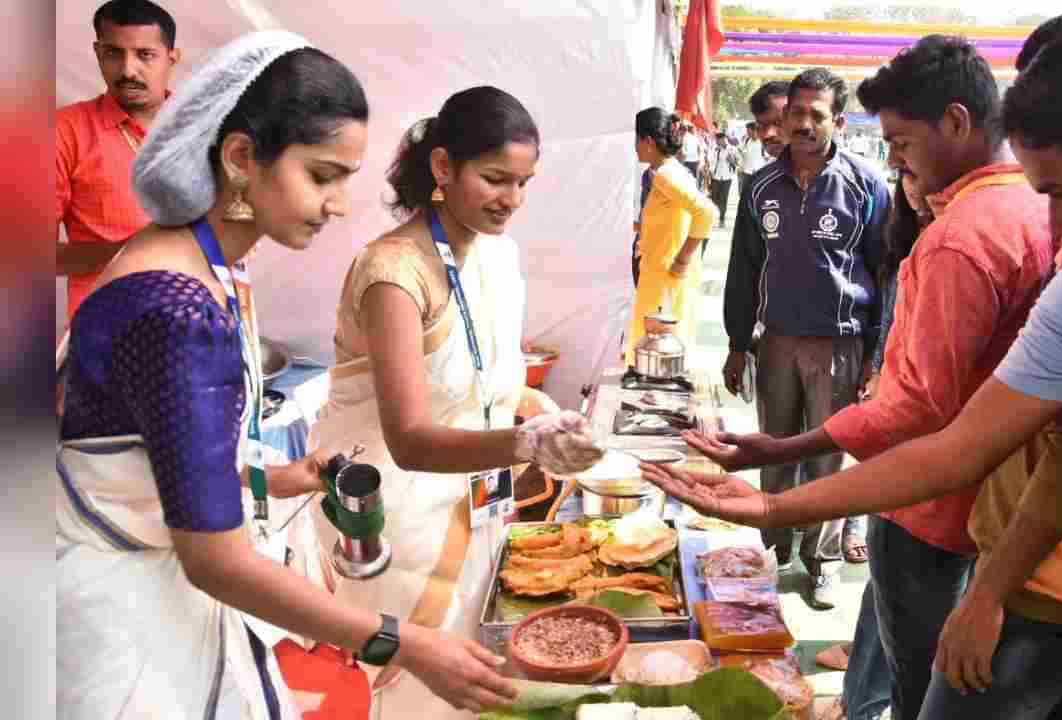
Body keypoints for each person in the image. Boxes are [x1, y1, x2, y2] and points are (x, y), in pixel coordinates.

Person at [646, 9, 1062, 720]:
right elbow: (971, 446)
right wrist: (773, 503)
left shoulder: (981, 239)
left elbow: (925, 413)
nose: (1060, 232)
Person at [56, 31, 520, 719]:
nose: (337, 205)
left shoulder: (200, 262)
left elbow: (138, 443)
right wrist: (405, 644)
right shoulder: (178, 305)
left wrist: (264, 478)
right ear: (242, 157)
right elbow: (216, 562)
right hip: (125, 612)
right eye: (323, 175)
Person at [708, 36, 1059, 714]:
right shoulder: (1042, 209)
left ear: (956, 123)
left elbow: (915, 410)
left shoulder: (960, 236)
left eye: (901, 142)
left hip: (929, 509)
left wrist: (782, 453)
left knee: (922, 687)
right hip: (1004, 507)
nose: (895, 158)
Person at [309, 86, 603, 719]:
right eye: (496, 179)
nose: (512, 201)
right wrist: (527, 443)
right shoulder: (394, 272)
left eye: (524, 183)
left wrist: (540, 414)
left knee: (469, 683)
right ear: (442, 168)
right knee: (407, 696)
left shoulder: (498, 255)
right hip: (393, 524)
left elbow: (484, 387)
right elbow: (411, 437)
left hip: (477, 508)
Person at [722, 68, 891, 611]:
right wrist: (735, 341)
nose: (804, 124)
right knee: (772, 449)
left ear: (837, 121)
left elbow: (885, 274)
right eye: (796, 113)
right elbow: (743, 269)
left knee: (826, 461)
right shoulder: (760, 186)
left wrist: (877, 353)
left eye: (817, 115)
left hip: (840, 346)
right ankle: (773, 550)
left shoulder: (866, 185)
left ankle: (824, 564)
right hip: (775, 343)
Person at [818, 175, 931, 720]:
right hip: (902, 444)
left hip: (931, 470)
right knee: (888, 585)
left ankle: (862, 698)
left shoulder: (962, 242)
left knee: (908, 598)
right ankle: (859, 694)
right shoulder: (912, 234)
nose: (913, 183)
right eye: (903, 168)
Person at [57, 0, 180, 323]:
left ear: (172, 58)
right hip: (108, 338)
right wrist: (134, 251)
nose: (128, 70)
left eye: (145, 55)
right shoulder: (63, 132)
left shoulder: (210, 125)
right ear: (98, 53)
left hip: (203, 329)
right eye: (114, 53)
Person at [626, 108, 716, 367]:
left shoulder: (666, 175)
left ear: (648, 142)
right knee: (657, 350)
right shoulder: (667, 172)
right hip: (658, 272)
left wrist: (683, 259)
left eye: (636, 140)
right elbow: (669, 219)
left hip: (666, 276)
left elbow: (707, 213)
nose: (635, 148)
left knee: (656, 352)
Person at [708, 132, 738, 228]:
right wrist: (710, 172)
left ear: (724, 139)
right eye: (717, 140)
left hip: (727, 177)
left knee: (723, 199)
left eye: (719, 140)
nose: (718, 141)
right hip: (716, 176)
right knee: (714, 198)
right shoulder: (715, 149)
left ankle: (722, 219)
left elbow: (737, 162)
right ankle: (712, 218)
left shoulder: (732, 149)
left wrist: (732, 160)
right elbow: (711, 160)